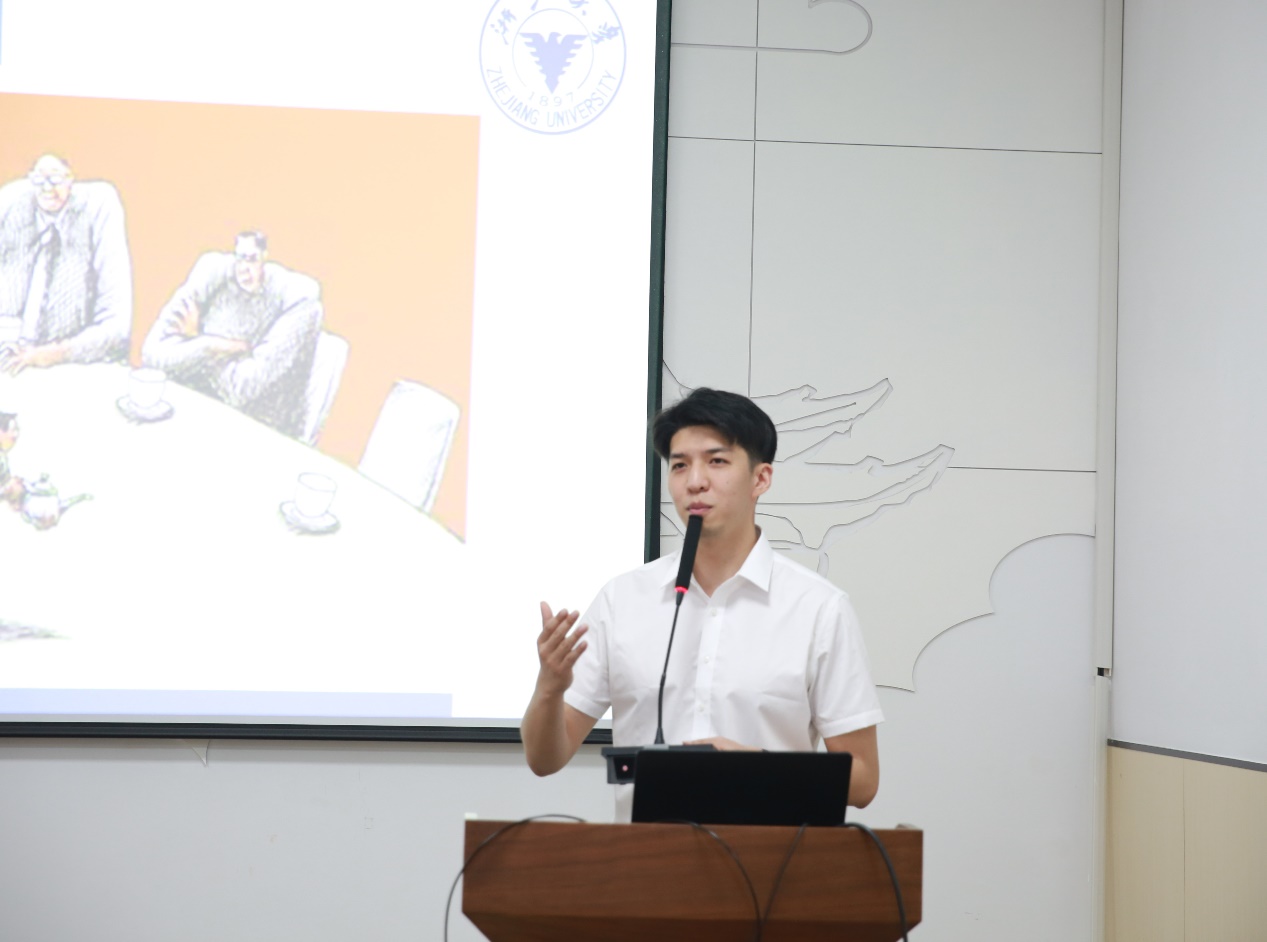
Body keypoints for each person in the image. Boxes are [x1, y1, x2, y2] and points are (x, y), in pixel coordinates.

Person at [522, 388, 884, 819]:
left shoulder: (818, 609)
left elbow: (863, 780)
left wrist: (757, 768)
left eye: (716, 461)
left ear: (760, 479)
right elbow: (545, 759)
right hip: (647, 855)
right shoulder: (623, 600)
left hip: (771, 856)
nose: (694, 481)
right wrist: (549, 688)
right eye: (679, 465)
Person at [141, 230, 322, 439]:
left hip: (253, 434)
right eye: (239, 259)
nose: (244, 270)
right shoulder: (212, 270)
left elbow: (241, 389)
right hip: (187, 413)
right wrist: (212, 345)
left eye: (251, 260)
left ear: (265, 257)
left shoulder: (298, 299)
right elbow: (151, 354)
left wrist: (193, 342)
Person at [0, 154, 132, 375]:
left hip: (71, 367)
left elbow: (117, 327)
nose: (47, 189)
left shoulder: (99, 206)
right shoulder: (11, 201)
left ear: (71, 180)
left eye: (56, 180)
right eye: (39, 180)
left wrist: (51, 354)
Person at [0, 412, 23, 508]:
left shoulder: (3, 456)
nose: (16, 435)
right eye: (13, 430)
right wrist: (7, 489)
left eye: (17, 430)